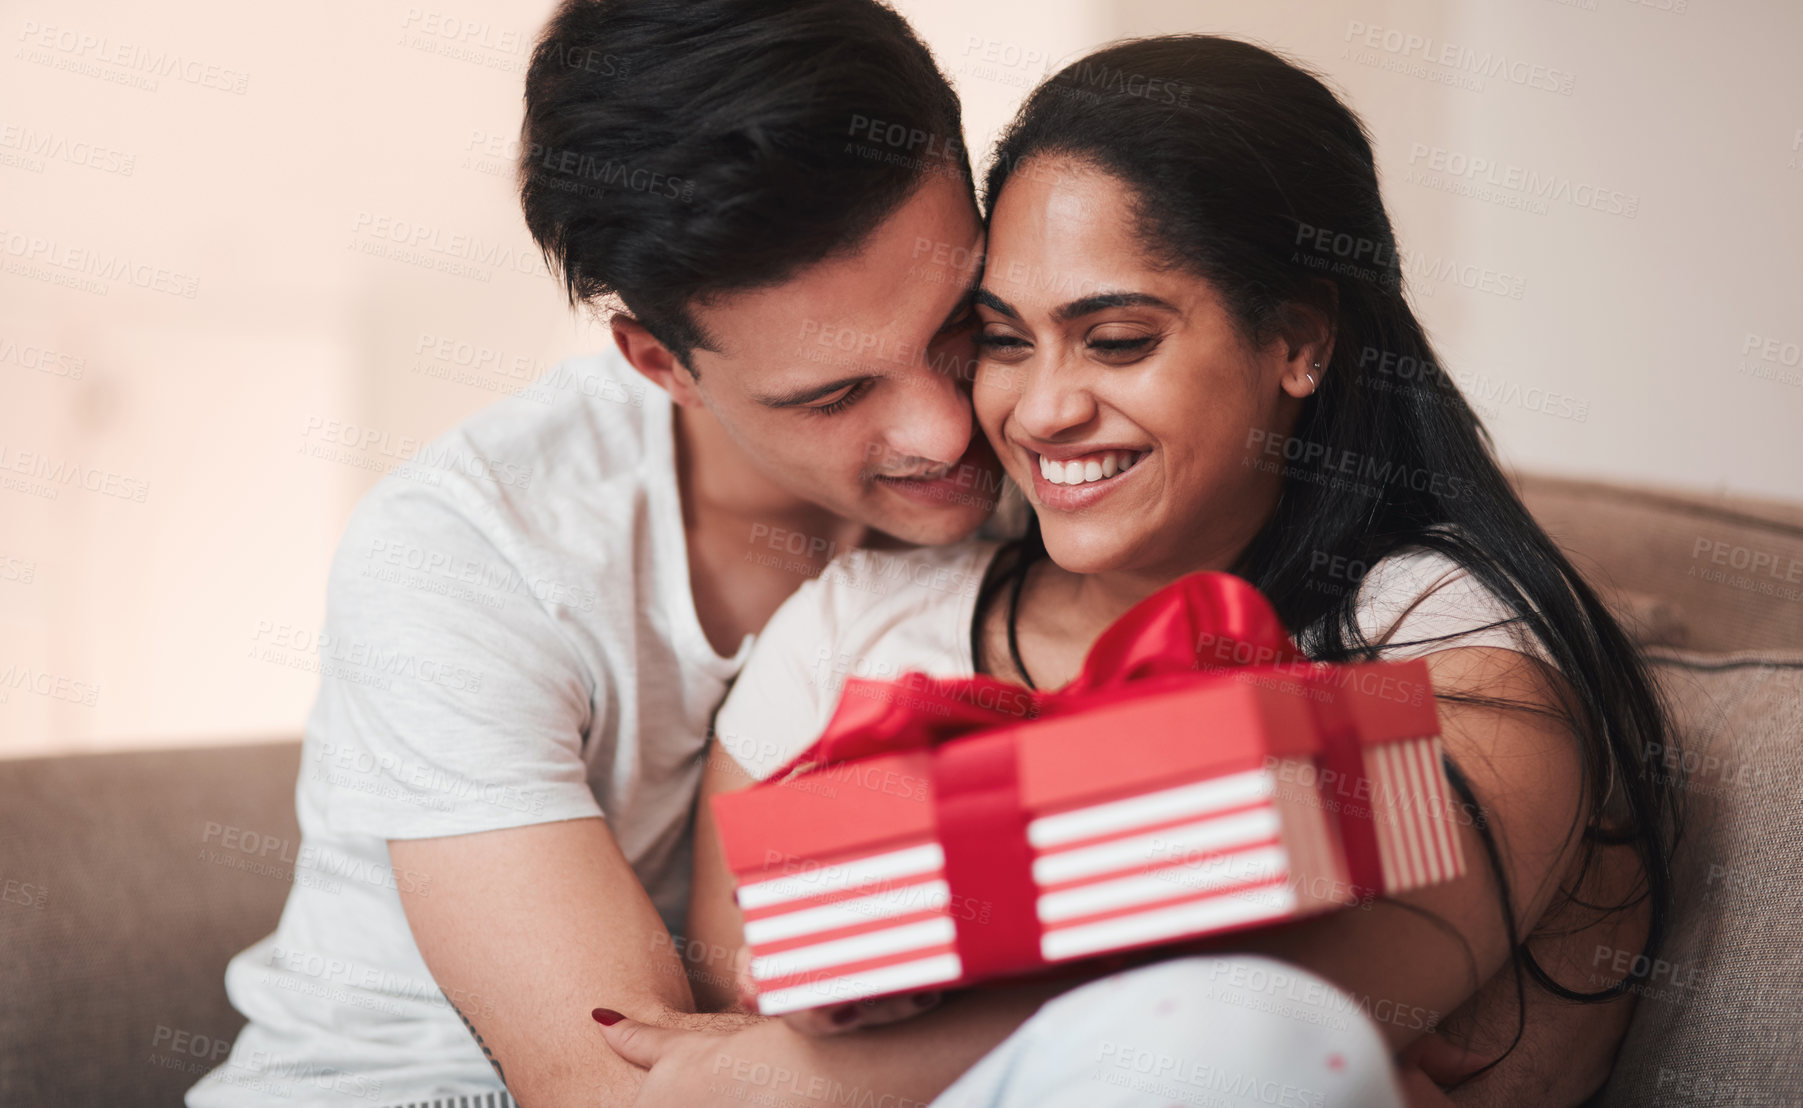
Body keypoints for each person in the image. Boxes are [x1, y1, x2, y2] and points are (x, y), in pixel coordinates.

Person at [616, 35, 1681, 1108]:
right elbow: (734, 1029)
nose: (1042, 410)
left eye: (1118, 339)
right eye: (1001, 341)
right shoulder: (851, 631)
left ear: (1298, 340)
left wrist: (805, 1071)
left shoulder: (1444, 643)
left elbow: (1278, 1024)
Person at [187, 1, 1004, 1105]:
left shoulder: (1059, 442)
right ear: (659, 362)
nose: (946, 431)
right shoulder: (464, 554)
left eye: (962, 323)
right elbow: (622, 1090)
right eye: (836, 395)